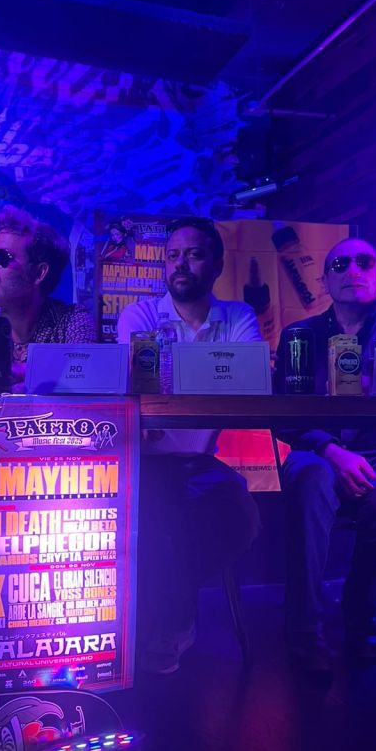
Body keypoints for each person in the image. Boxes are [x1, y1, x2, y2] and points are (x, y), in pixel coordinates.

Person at [275, 237, 376, 673]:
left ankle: (359, 611)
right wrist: (331, 450)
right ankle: (304, 629)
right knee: (309, 481)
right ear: (325, 280)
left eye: (364, 262)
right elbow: (282, 415)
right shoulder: (299, 335)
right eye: (340, 264)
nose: (352, 271)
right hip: (318, 450)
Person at [117, 216, 261, 673]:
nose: (180, 264)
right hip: (144, 460)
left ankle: (171, 610)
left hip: (199, 459)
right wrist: (217, 372)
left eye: (194, 255)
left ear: (216, 265)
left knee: (241, 519)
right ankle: (167, 621)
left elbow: (250, 384)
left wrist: (172, 373)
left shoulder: (238, 316)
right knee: (159, 518)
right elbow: (137, 380)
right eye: (173, 255)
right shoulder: (139, 315)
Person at [0, 205, 96, 389]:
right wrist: (37, 374)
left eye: (3, 257)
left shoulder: (71, 320)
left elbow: (86, 371)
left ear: (39, 273)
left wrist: (21, 372)